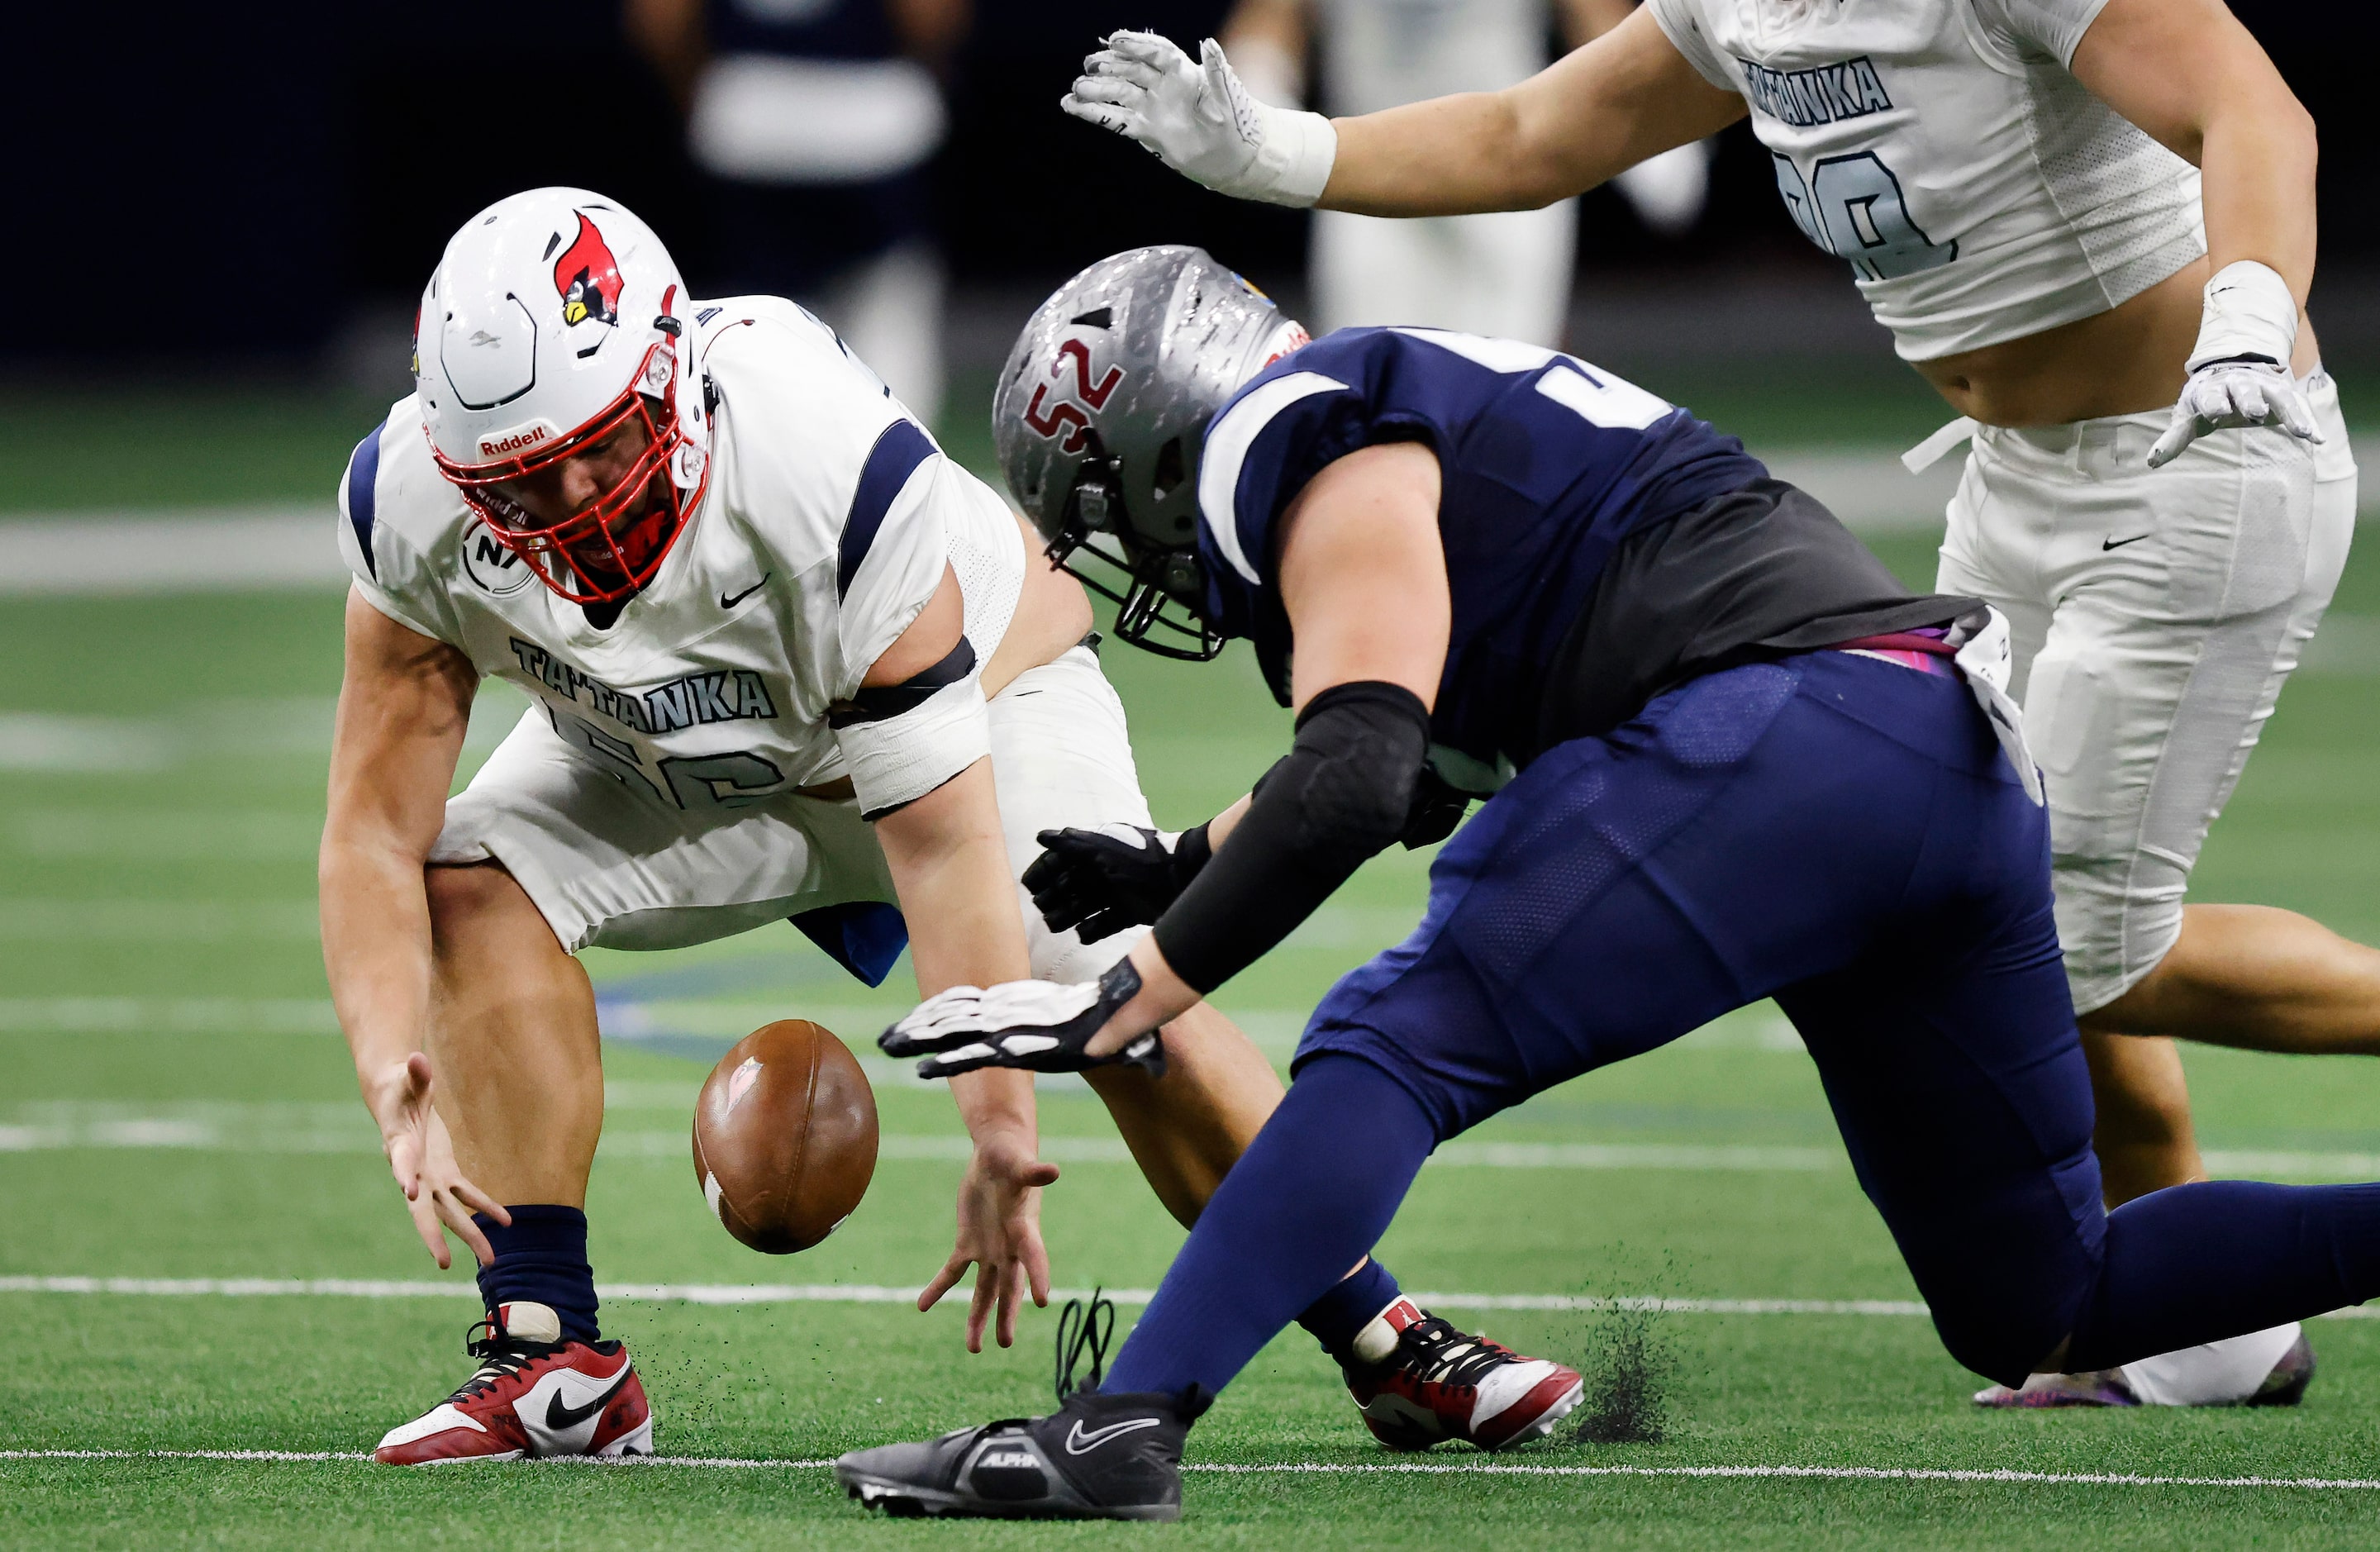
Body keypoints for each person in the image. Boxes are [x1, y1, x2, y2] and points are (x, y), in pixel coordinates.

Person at [832, 248, 2380, 1521]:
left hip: (1793, 725)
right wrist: (1184, 865)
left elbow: (1361, 768)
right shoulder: (1394, 397)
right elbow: (1424, 755)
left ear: (1165, 443)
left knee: (1390, 1033)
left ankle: (1122, 1426)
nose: (1138, 557)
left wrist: (1140, 986)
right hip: (1941, 754)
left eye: (1113, 507)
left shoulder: (1288, 423)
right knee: (2048, 1293)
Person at [1052, 0, 2365, 1408]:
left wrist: (2249, 301)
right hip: (2015, 468)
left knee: (2057, 932)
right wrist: (1284, 156)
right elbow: (1533, 129)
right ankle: (2220, 1331)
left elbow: (2254, 112)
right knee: (2025, 918)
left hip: (2203, 438)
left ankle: (2207, 1313)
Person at [324, 191, 1569, 1465]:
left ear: (671, 376)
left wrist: (997, 1118)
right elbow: (371, 827)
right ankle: (551, 1358)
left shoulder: (817, 464)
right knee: (465, 875)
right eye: (524, 482)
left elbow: (939, 839)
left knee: (1109, 982)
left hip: (976, 704)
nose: (578, 502)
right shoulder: (410, 499)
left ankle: (1393, 1342)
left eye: (598, 447)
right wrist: (386, 1068)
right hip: (664, 746)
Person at [1213, 0, 1705, 347]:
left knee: (1508, 383)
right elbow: (1269, 22)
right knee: (1365, 385)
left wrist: (1651, 143)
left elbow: (1593, 15)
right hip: (1366, 176)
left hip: (1504, 177)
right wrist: (1260, 91)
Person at [626, 0, 963, 425]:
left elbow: (660, 20)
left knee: (759, 326)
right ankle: (896, 464)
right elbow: (931, 16)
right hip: (868, 112)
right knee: (887, 311)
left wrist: (708, 92)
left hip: (752, 116)